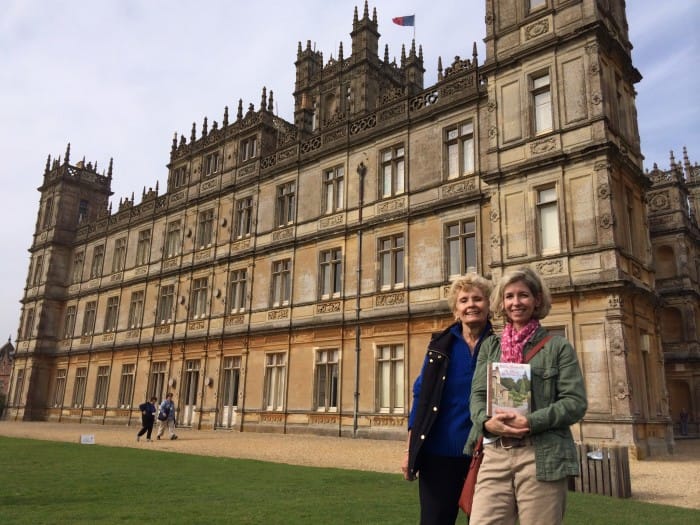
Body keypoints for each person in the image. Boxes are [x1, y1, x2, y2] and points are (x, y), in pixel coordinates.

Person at [465, 267, 587, 525]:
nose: (515, 302)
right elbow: (477, 395)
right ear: (502, 302)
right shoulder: (491, 346)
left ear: (537, 300)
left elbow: (575, 403)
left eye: (523, 295)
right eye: (509, 296)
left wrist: (531, 421)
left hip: (540, 454)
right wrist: (486, 422)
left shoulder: (558, 347)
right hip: (496, 452)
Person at [402, 273, 495, 525]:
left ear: (489, 305)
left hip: (486, 455)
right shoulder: (440, 346)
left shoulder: (501, 346)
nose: (471, 305)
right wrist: (411, 449)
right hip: (438, 455)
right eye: (464, 300)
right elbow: (421, 395)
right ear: (456, 310)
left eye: (478, 298)